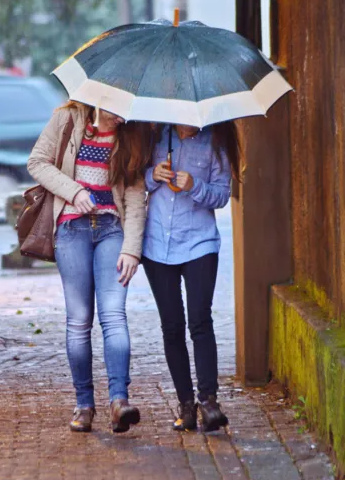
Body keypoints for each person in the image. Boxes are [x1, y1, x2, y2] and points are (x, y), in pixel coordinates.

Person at [27, 101, 151, 434]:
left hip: (112, 229)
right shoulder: (67, 119)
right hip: (71, 230)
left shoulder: (133, 135)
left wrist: (132, 249)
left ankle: (119, 401)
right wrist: (74, 190)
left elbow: (136, 197)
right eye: (114, 106)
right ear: (98, 96)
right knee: (79, 320)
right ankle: (84, 404)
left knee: (114, 314)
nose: (119, 114)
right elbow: (37, 162)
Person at [142, 121, 241, 432]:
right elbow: (134, 181)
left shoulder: (215, 143)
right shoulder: (156, 136)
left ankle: (209, 401)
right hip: (157, 246)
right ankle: (186, 405)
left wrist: (193, 185)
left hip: (199, 244)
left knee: (200, 320)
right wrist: (152, 175)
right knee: (172, 326)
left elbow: (222, 195)